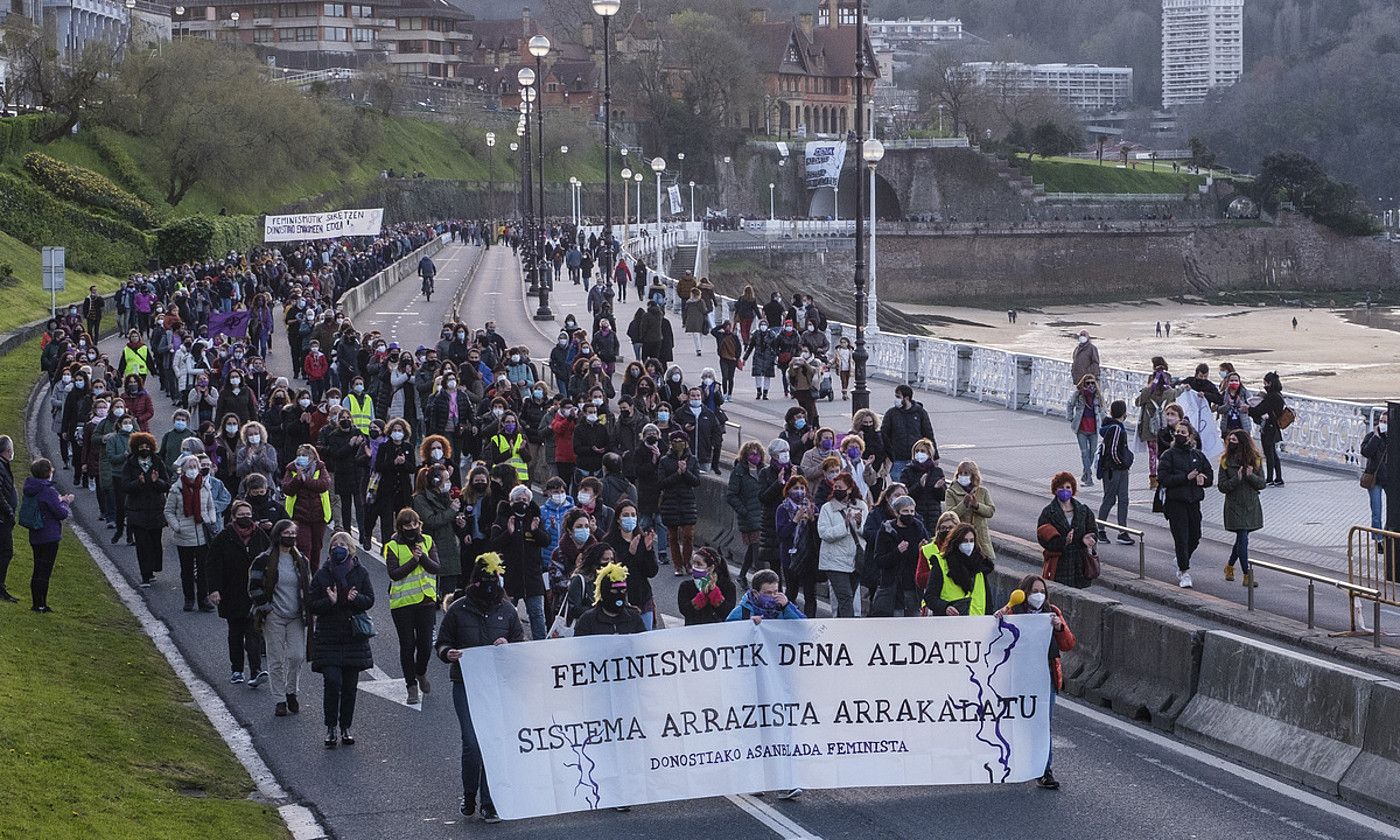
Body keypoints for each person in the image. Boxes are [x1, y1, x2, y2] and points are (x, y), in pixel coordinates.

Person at [437, 552, 522, 824]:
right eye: (483, 580)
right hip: (466, 684)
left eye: (492, 580)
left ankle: (489, 801)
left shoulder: (507, 610)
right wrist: (447, 652)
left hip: (497, 687)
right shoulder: (458, 609)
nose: (488, 586)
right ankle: (469, 794)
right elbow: (441, 642)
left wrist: (508, 647)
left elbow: (520, 642)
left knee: (493, 743)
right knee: (472, 743)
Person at [995, 574, 1076, 791]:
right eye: (1034, 592)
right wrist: (999, 620)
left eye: (1042, 591)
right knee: (1017, 724)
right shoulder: (1013, 613)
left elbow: (1068, 644)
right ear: (1024, 593)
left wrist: (1059, 628)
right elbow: (995, 642)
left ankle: (1044, 770)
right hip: (1019, 679)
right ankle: (1015, 764)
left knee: (1042, 725)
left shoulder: (1052, 613)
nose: (1038, 596)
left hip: (1045, 677)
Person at [308, 529, 375, 748]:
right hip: (329, 637)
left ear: (351, 549)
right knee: (332, 682)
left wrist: (356, 599)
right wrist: (330, 601)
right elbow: (311, 604)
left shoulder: (360, 572)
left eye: (344, 544)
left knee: (349, 687)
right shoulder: (322, 574)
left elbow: (370, 600)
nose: (340, 547)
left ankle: (346, 726)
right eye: (336, 544)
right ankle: (330, 727)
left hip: (353, 638)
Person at [209, 500, 270, 686]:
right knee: (235, 633)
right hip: (231, 592)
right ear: (234, 517)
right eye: (241, 515)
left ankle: (256, 671)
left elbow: (270, 560)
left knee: (254, 632)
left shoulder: (260, 536)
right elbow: (213, 565)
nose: (246, 518)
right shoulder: (223, 538)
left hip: (254, 594)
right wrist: (214, 589)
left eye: (248, 514)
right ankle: (236, 669)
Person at [384, 509, 441, 705]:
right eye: (407, 526)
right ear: (400, 527)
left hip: (426, 601)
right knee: (407, 645)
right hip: (402, 604)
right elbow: (394, 573)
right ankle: (411, 686)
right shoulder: (392, 546)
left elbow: (435, 567)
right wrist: (413, 561)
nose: (412, 528)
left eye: (415, 524)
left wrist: (422, 557)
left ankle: (421, 671)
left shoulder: (427, 541)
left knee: (425, 644)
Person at [1158, 421, 1214, 588]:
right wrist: (1185, 477)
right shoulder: (1169, 455)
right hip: (1176, 502)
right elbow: (1163, 478)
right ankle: (1184, 571)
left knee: (1195, 536)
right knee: (1181, 537)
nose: (1180, 435)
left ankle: (1182, 557)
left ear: (1190, 436)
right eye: (1178, 432)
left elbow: (1209, 474)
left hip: (1194, 501)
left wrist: (1203, 479)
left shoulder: (1197, 455)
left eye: (1183, 432)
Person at [166, 452, 218, 612]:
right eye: (190, 467)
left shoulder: (204, 486)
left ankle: (203, 598)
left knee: (203, 569)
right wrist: (177, 526)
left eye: (195, 467)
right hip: (184, 535)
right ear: (183, 470)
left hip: (202, 533)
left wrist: (210, 520)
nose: (193, 470)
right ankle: (189, 598)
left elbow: (210, 506)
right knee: (187, 570)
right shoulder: (176, 489)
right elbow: (169, 511)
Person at [20, 459, 72, 613]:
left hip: (35, 534)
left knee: (38, 568)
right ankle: (40, 604)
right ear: (48, 472)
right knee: (44, 572)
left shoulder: (31, 488)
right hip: (49, 535)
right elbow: (61, 513)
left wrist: (58, 500)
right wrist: (65, 502)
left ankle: (38, 602)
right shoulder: (48, 490)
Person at [1035, 472, 1098, 590]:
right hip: (1060, 565)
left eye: (1068, 487)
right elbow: (1042, 537)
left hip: (1080, 565)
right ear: (1055, 490)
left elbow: (1093, 530)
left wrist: (1089, 539)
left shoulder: (1083, 510)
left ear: (1073, 489)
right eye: (1061, 488)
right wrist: (1063, 542)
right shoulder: (1049, 512)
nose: (1065, 490)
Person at [1219, 430, 1266, 587]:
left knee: (1241, 539)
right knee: (1243, 539)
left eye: (1234, 440)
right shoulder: (1225, 460)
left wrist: (1250, 475)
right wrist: (1237, 478)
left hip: (1250, 505)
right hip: (1234, 505)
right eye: (1229, 440)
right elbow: (1222, 486)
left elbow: (1262, 483)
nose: (1231, 443)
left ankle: (1230, 566)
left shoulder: (1256, 459)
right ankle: (1247, 574)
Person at [123, 432, 171, 587]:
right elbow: (125, 486)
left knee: (155, 542)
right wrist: (138, 483)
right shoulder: (130, 464)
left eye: (147, 446)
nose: (144, 449)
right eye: (141, 447)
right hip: (138, 511)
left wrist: (157, 482)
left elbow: (166, 484)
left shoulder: (158, 462)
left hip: (156, 510)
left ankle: (153, 568)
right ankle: (145, 574)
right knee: (142, 545)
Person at [817, 473, 867, 617]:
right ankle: (849, 630)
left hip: (854, 560)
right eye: (835, 487)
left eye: (841, 487)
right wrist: (844, 525)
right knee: (845, 597)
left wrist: (858, 523)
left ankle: (839, 628)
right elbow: (824, 533)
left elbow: (866, 532)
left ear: (850, 489)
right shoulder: (827, 508)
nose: (837, 489)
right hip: (834, 562)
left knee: (846, 599)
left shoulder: (861, 505)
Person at [871, 495, 928, 617]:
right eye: (905, 511)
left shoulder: (919, 528)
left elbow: (928, 554)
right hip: (894, 588)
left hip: (913, 587)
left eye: (912, 511)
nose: (909, 514)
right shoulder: (886, 531)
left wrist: (923, 550)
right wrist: (897, 551)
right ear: (897, 513)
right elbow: (879, 560)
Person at [606, 500, 659, 629]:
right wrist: (630, 553)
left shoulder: (641, 539)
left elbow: (651, 572)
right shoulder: (609, 542)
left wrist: (648, 551)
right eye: (625, 515)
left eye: (633, 515)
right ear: (618, 519)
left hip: (642, 598)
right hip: (620, 600)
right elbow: (612, 573)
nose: (630, 518)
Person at [922, 522, 992, 617]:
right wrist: (945, 607)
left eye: (971, 541)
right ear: (956, 542)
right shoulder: (942, 563)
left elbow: (987, 599)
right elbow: (930, 597)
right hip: (949, 624)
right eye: (964, 541)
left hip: (976, 624)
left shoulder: (980, 564)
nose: (969, 544)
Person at [282, 444, 333, 572]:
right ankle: (304, 574)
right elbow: (287, 489)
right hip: (300, 516)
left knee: (316, 549)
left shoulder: (320, 467)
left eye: (304, 455)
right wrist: (297, 479)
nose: (301, 458)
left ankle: (314, 577)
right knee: (304, 547)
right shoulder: (291, 469)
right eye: (299, 455)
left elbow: (324, 484)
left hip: (318, 516)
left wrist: (305, 480)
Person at [658, 429, 700, 575]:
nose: (678, 445)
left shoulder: (692, 460)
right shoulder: (664, 461)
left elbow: (696, 481)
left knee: (688, 535)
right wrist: (677, 474)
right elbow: (661, 482)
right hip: (670, 502)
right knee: (673, 536)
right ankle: (677, 565)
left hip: (687, 502)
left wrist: (686, 472)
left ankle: (687, 562)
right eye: (675, 442)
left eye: (681, 442)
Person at [776, 475, 818, 617]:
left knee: (810, 594)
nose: (799, 491)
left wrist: (812, 520)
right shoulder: (783, 509)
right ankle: (789, 618)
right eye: (796, 488)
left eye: (802, 488)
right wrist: (795, 520)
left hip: (808, 556)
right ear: (788, 491)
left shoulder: (811, 507)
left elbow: (817, 535)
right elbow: (782, 534)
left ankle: (810, 620)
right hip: (790, 556)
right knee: (792, 592)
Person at [1096, 400, 1135, 544]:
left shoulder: (1111, 427)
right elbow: (1113, 451)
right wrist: (1122, 462)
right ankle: (1101, 529)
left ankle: (1121, 531)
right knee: (1112, 498)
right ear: (1124, 413)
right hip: (1115, 469)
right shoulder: (1117, 428)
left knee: (1121, 499)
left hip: (1116, 469)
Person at [573, 561, 647, 635]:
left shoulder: (634, 618)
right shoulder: (587, 620)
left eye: (623, 591)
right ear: (604, 593)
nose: (619, 595)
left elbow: (643, 643)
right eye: (614, 591)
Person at [944, 460, 996, 561]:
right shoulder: (951, 492)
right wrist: (964, 504)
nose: (963, 476)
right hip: (962, 536)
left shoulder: (982, 491)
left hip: (981, 537)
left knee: (984, 566)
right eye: (960, 473)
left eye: (966, 473)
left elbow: (990, 511)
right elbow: (950, 514)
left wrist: (977, 506)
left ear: (973, 475)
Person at [882, 385, 936, 479]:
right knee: (899, 487)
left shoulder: (920, 413)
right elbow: (884, 434)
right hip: (898, 458)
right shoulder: (891, 413)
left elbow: (928, 434)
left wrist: (935, 455)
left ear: (906, 398)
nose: (896, 399)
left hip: (916, 458)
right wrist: (890, 454)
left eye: (898, 397)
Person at [678, 545, 736, 625]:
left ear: (710, 568)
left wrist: (713, 592)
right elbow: (685, 610)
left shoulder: (727, 586)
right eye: (693, 563)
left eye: (699, 564)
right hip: (693, 632)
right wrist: (702, 596)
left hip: (718, 632)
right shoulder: (686, 586)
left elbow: (727, 612)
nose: (694, 567)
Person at [898, 438, 944, 533]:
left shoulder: (937, 471)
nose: (919, 453)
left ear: (929, 454)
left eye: (923, 451)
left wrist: (938, 488)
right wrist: (919, 486)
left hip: (933, 516)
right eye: (917, 451)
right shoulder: (907, 471)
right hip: (916, 514)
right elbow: (905, 495)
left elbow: (943, 497)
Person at [727, 568, 805, 623]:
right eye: (768, 593)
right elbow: (728, 632)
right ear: (755, 593)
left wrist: (787, 606)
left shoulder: (783, 608)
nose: (773, 596)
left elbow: (806, 627)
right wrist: (748, 624)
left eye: (776, 591)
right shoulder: (742, 612)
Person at [1249, 371, 1286, 486]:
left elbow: (1261, 409)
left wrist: (1249, 410)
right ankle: (1278, 478)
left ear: (1269, 383)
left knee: (1269, 453)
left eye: (1265, 383)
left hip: (1269, 427)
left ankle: (1270, 478)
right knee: (1273, 453)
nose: (1264, 386)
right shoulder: (1277, 395)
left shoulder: (1272, 397)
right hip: (1273, 427)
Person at [1068, 374, 1104, 486]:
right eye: (1087, 383)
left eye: (1092, 383)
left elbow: (1103, 410)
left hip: (1094, 428)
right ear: (1083, 383)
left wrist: (1106, 423)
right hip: (1081, 427)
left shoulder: (1098, 396)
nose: (1090, 385)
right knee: (1084, 453)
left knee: (1092, 452)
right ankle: (1089, 477)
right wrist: (1070, 417)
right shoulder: (1078, 394)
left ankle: (1085, 473)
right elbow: (1070, 404)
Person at [1361, 412, 1389, 549]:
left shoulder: (1393, 438)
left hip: (1389, 480)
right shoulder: (1372, 436)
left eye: (1386, 422)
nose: (1383, 424)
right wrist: (1376, 437)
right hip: (1374, 479)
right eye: (1381, 421)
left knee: (1394, 510)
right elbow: (1366, 452)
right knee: (1376, 511)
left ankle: (1389, 534)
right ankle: (1378, 540)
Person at [0, 436, 16, 603]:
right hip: (2, 519)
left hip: (4, 518)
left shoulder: (4, 465)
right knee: (6, 551)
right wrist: (9, 511)